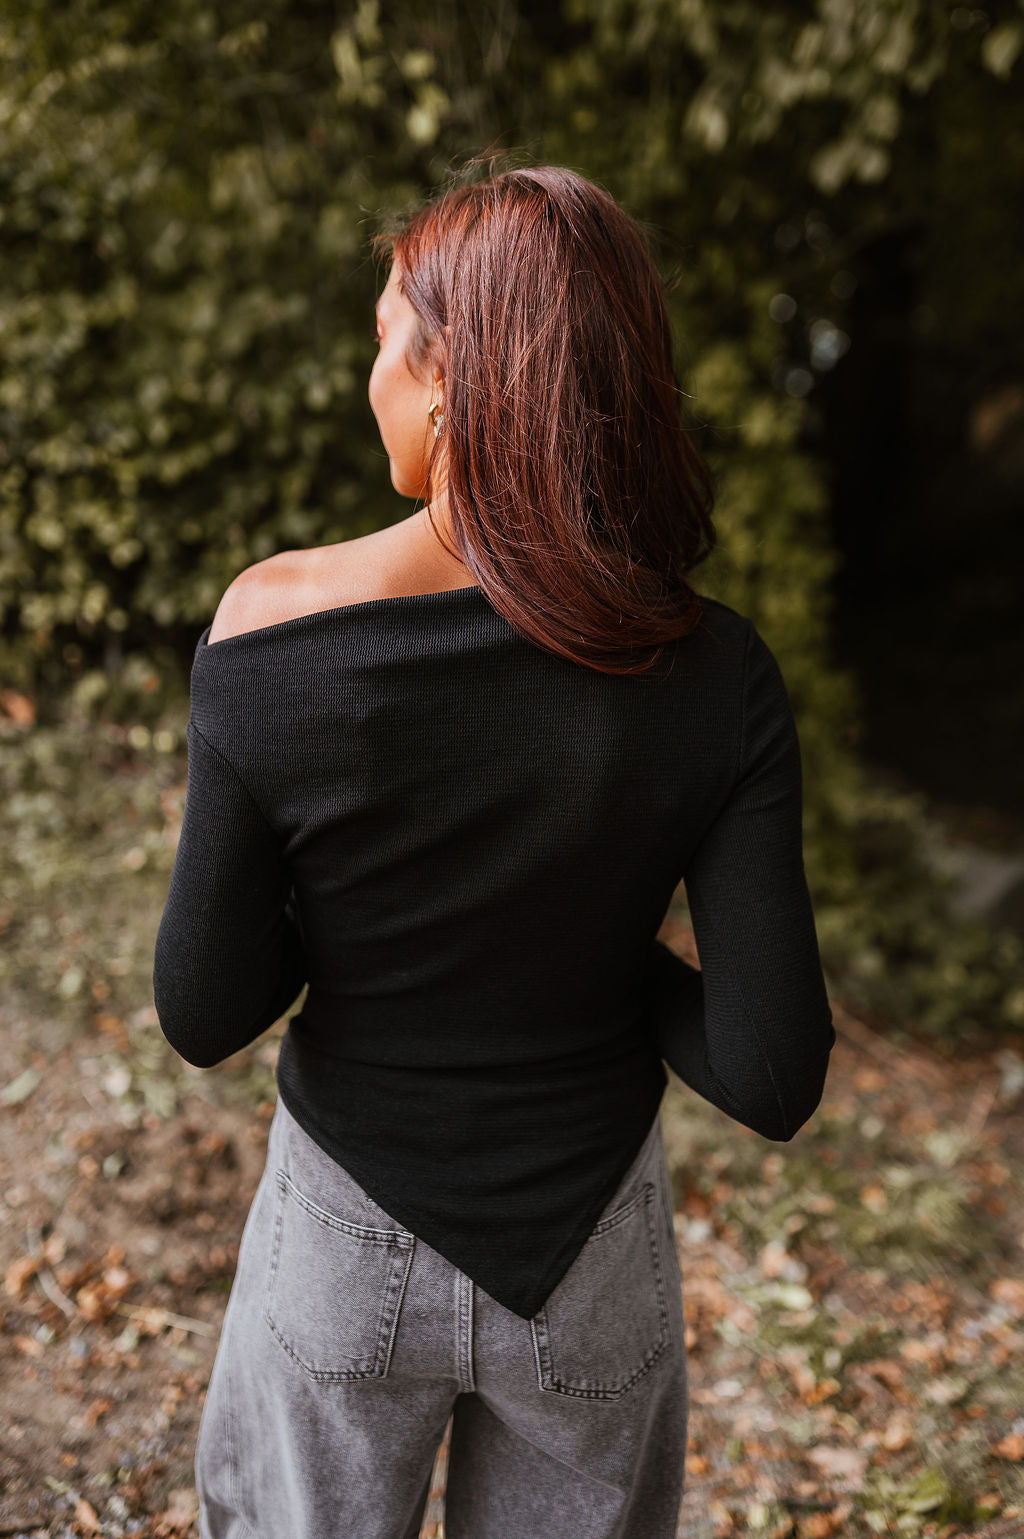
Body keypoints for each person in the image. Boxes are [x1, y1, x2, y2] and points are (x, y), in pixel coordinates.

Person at [153, 163, 836, 1539]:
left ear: (451, 381)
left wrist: (364, 920)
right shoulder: (715, 675)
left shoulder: (275, 627)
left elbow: (203, 1011)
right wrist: (587, 945)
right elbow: (771, 1072)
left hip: (345, 1239)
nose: (368, 376)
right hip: (591, 1259)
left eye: (384, 336)